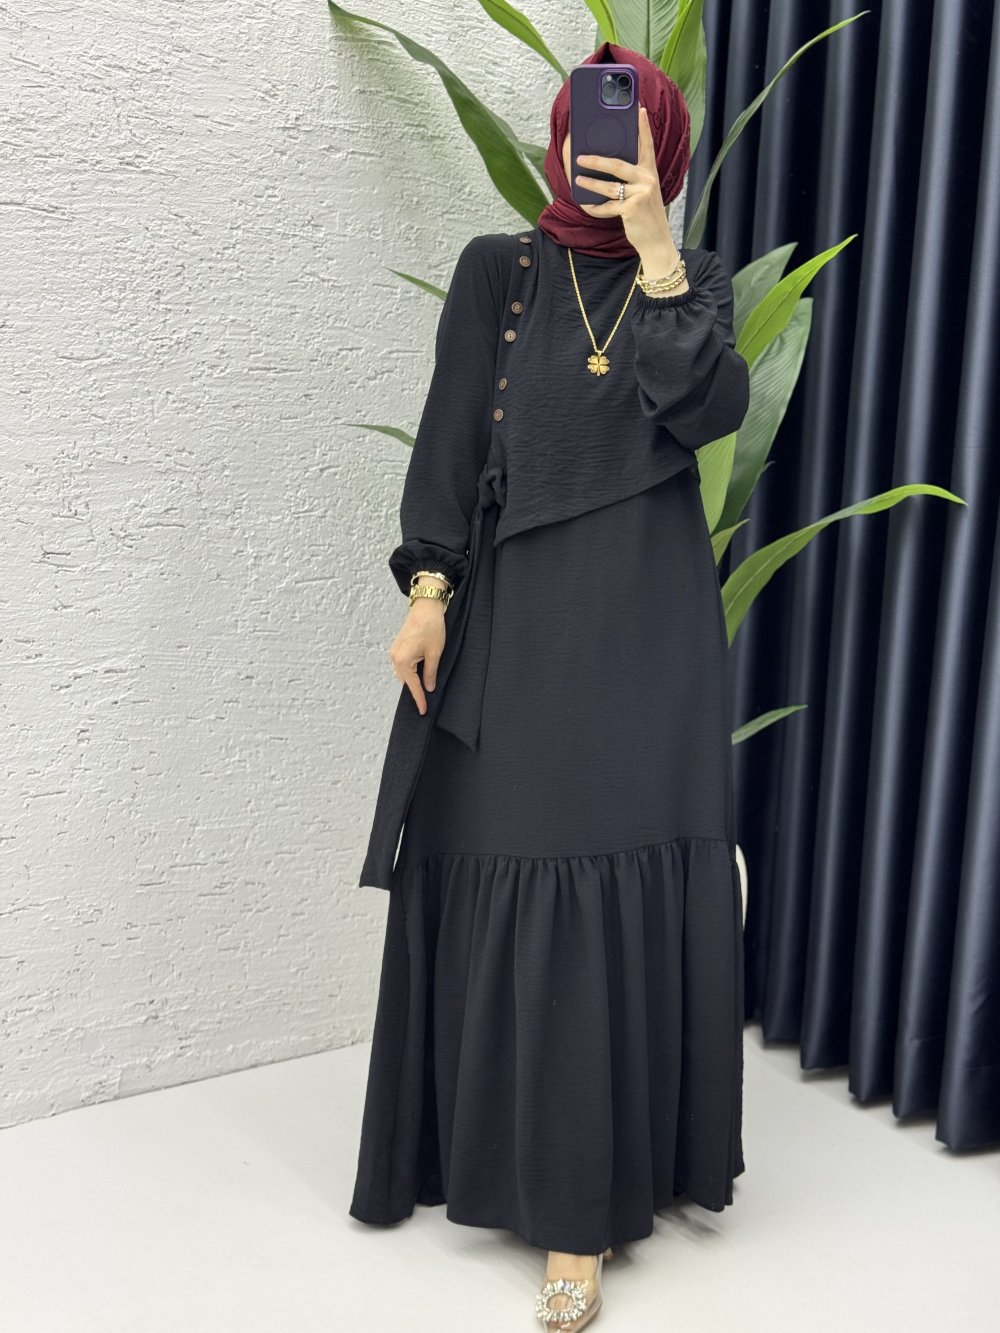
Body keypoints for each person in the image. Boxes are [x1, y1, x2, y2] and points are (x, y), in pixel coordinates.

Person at [349, 40, 751, 1330]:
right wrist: (428, 590)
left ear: (662, 150)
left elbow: (707, 411)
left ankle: (582, 1215)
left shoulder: (693, 284)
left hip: (647, 633)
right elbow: (449, 435)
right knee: (505, 852)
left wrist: (657, 250)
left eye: (624, 131)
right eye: (580, 125)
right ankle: (462, 1151)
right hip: (515, 621)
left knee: (612, 861)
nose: (596, 148)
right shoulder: (500, 272)